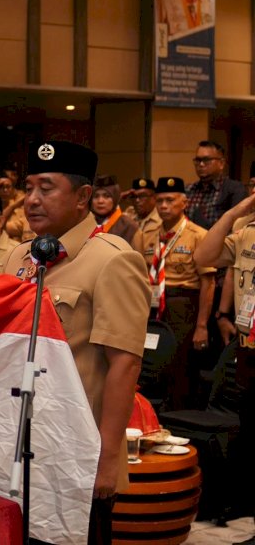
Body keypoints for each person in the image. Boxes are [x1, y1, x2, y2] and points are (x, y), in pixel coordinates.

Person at [3, 141, 150, 545]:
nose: (31, 200)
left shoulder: (113, 260)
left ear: (83, 197)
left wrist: (106, 462)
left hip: (76, 455)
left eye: (46, 188)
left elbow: (125, 364)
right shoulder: (18, 258)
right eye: (29, 187)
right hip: (19, 447)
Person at [194, 189, 255, 543]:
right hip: (248, 348)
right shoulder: (246, 228)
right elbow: (205, 254)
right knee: (249, 434)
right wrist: (234, 211)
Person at [143, 177, 215, 410]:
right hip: (152, 304)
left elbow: (208, 283)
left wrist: (202, 325)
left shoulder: (198, 235)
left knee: (180, 363)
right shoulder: (147, 234)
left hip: (183, 305)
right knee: (152, 358)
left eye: (170, 200)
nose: (164, 206)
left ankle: (179, 412)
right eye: (160, 200)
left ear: (184, 203)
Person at [186, 140, 247, 231]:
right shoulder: (188, 190)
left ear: (221, 163)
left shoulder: (235, 190)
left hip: (221, 243)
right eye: (198, 160)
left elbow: (237, 227)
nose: (201, 164)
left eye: (206, 160)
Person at [91, 175, 145, 256]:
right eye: (96, 196)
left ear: (115, 198)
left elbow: (138, 265)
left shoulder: (129, 227)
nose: (100, 201)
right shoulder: (85, 224)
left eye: (106, 196)